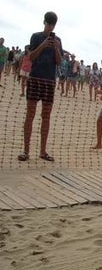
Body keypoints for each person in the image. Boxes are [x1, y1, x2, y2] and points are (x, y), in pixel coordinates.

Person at [21, 12, 62, 162]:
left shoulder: (58, 40)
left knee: (46, 117)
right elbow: (31, 57)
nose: (50, 27)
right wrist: (43, 45)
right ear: (44, 22)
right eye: (48, 24)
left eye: (52, 25)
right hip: (35, 78)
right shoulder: (36, 37)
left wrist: (56, 48)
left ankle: (43, 152)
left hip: (49, 81)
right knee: (30, 115)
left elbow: (58, 62)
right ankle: (26, 151)